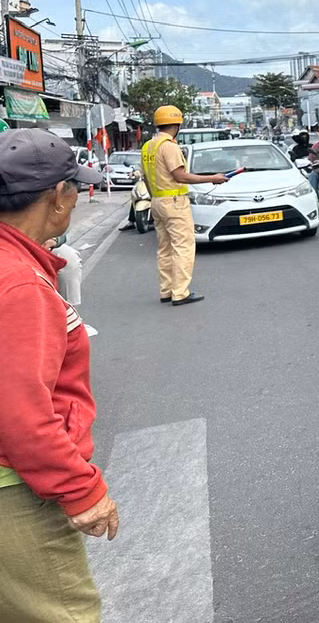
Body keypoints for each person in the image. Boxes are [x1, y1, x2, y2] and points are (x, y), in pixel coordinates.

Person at [0, 129, 115, 622]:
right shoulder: (19, 283)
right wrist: (81, 490)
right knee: (64, 613)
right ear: (59, 197)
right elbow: (21, 412)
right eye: (74, 189)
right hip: (16, 488)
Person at [142, 105, 228, 306]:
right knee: (183, 246)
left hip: (156, 201)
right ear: (177, 124)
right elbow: (179, 175)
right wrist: (212, 178)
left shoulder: (148, 146)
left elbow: (145, 177)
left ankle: (166, 290)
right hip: (174, 203)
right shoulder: (169, 146)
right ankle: (180, 293)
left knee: (164, 248)